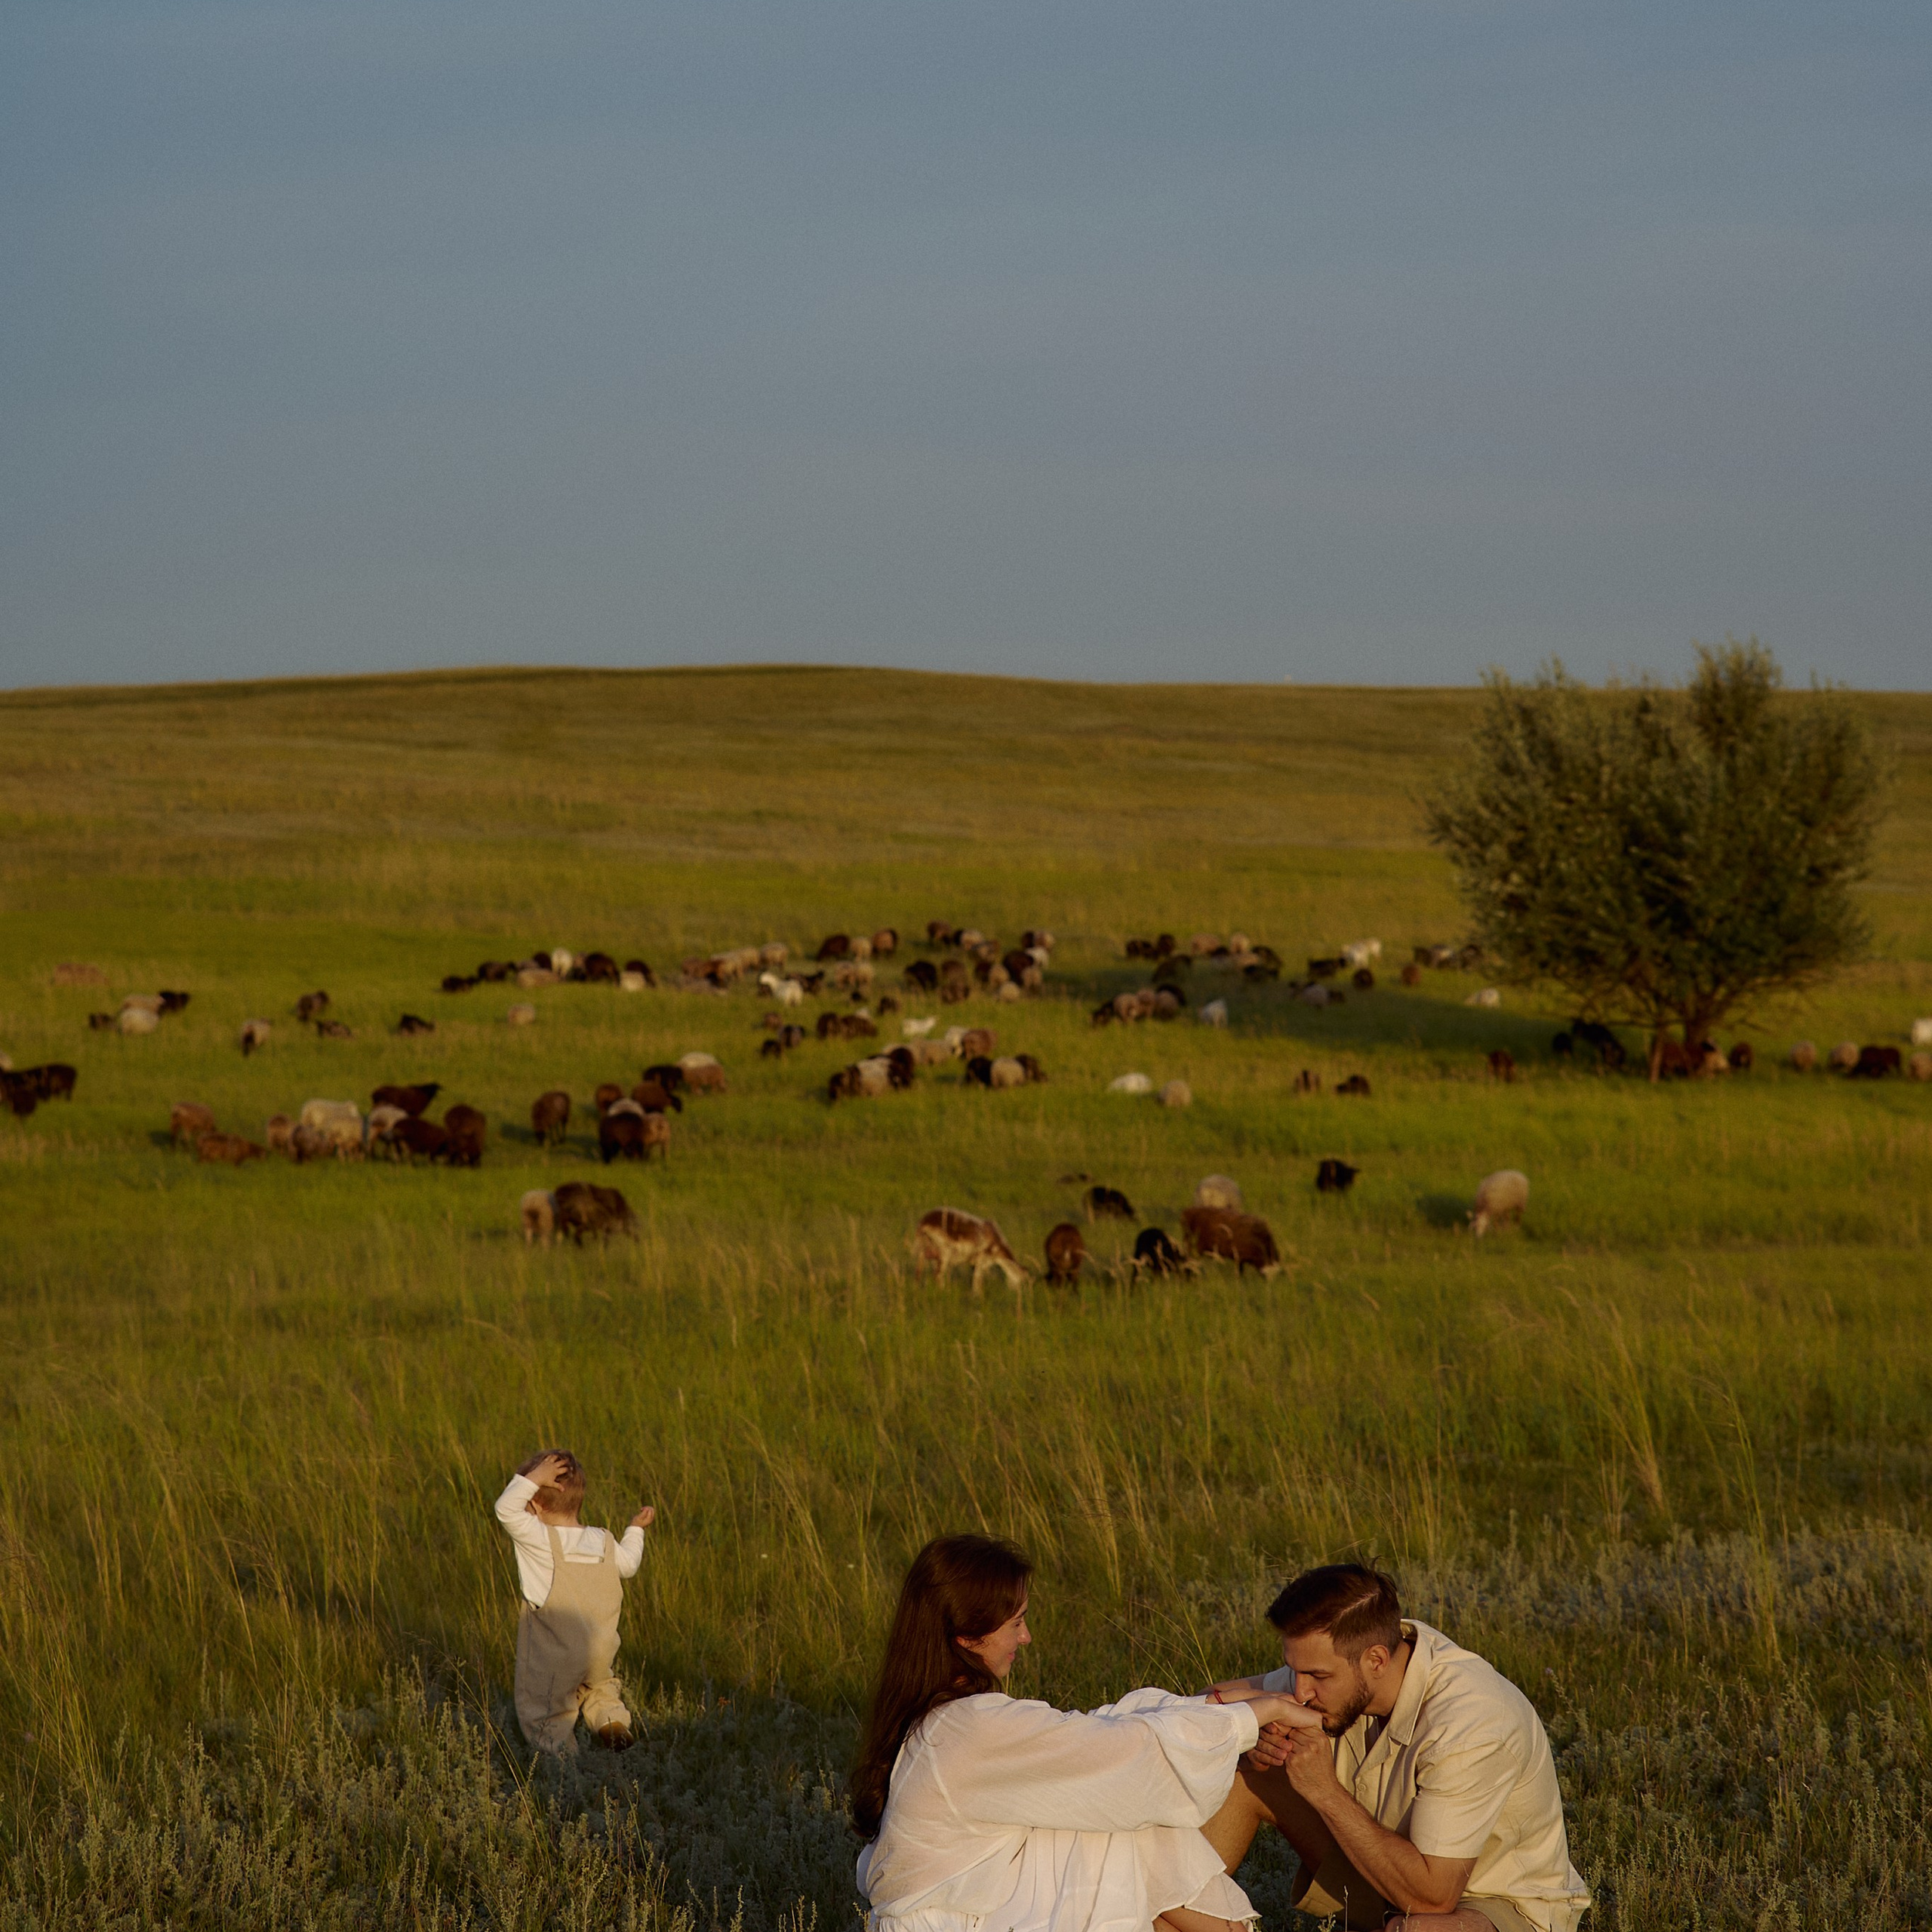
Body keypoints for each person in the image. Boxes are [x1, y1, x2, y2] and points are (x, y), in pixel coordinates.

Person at [852, 1534, 1323, 1932]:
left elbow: (1094, 1735)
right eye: (1016, 1623)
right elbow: (1110, 1750)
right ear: (967, 1636)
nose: (1026, 1637)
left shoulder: (943, 1721)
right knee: (1116, 1811)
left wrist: (1231, 1707)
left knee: (1105, 1803)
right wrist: (1247, 1718)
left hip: (980, 1910)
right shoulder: (967, 1728)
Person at [1201, 1564, 1591, 1932]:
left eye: (1318, 1676)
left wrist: (1324, 1791)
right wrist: (1249, 1732)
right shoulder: (1340, 1660)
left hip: (1494, 1904)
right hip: (1384, 1872)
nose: (1300, 1692)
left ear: (1376, 1660)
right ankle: (1180, 1908)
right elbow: (1204, 1705)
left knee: (1416, 1929)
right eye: (1295, 1671)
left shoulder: (1471, 1721)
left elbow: (1433, 1899)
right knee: (1245, 1774)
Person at [494, 1448, 655, 1755]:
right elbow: (630, 1565)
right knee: (600, 1688)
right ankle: (611, 1721)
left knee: (546, 1712)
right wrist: (635, 1529)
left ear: (535, 1504)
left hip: (556, 1657)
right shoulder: (603, 1540)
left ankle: (564, 1767)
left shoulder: (539, 1539)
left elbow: (505, 1509)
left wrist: (534, 1478)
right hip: (600, 1650)